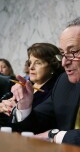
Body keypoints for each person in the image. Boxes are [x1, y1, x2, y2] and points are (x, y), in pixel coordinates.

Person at [9, 17, 80, 146]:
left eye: (73, 52)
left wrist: (55, 135)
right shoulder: (64, 82)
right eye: (63, 54)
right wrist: (24, 105)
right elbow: (36, 126)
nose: (64, 62)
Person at [0, 43, 64, 117]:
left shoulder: (55, 90)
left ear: (52, 66)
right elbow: (7, 104)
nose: (31, 67)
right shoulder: (25, 84)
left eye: (38, 63)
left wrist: (16, 110)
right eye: (30, 63)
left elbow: (39, 118)